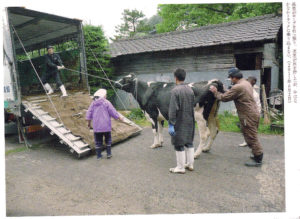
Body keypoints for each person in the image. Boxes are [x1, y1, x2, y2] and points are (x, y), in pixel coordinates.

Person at [209, 67, 263, 167]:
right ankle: (256, 154)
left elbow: (224, 98)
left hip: (248, 115)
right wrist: (228, 89)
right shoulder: (246, 83)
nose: (230, 79)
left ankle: (258, 159)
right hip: (253, 112)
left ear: (234, 78)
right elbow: (234, 92)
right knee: (249, 134)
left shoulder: (238, 87)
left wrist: (215, 92)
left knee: (251, 136)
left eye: (231, 78)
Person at [168, 68, 195, 174]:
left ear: (175, 77)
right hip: (190, 120)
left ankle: (180, 167)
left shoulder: (175, 91)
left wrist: (171, 124)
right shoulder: (190, 89)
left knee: (178, 144)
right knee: (189, 142)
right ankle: (190, 164)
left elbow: (173, 110)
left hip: (179, 122)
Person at [86, 89, 125, 160]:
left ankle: (98, 156)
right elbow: (113, 111)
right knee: (108, 140)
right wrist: (119, 117)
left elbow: (89, 114)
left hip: (97, 127)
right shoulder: (107, 103)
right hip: (106, 126)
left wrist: (88, 123)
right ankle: (109, 154)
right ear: (103, 96)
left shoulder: (93, 104)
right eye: (105, 95)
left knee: (98, 141)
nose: (106, 96)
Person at [239, 76, 261, 147]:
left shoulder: (253, 93)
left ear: (253, 82)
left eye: (249, 81)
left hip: (252, 113)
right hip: (252, 112)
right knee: (246, 128)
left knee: (250, 129)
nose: (247, 82)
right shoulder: (249, 90)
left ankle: (253, 145)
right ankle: (247, 141)